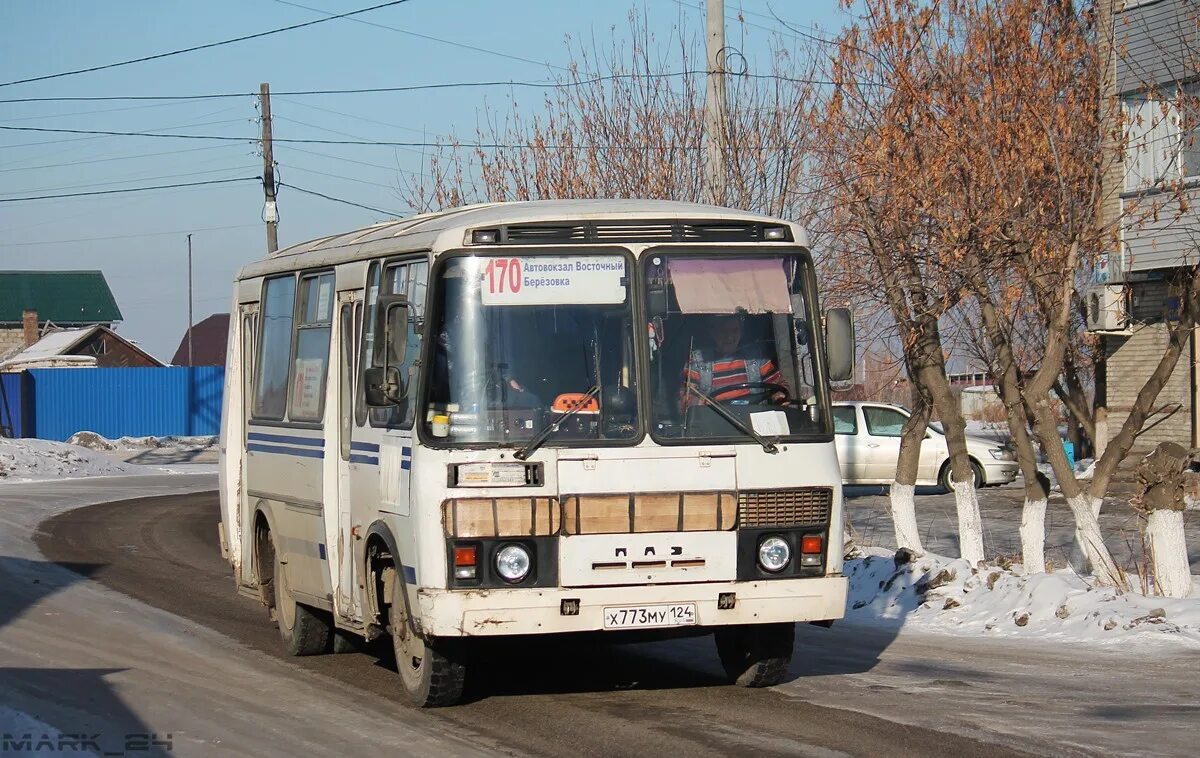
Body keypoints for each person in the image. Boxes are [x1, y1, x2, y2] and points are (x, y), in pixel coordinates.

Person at [680, 314, 789, 412]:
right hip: (713, 424)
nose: (729, 337)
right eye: (723, 331)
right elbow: (685, 396)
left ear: (741, 332)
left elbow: (778, 384)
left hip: (755, 423)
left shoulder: (755, 358)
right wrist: (704, 404)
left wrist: (779, 396)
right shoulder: (697, 361)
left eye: (734, 330)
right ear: (713, 333)